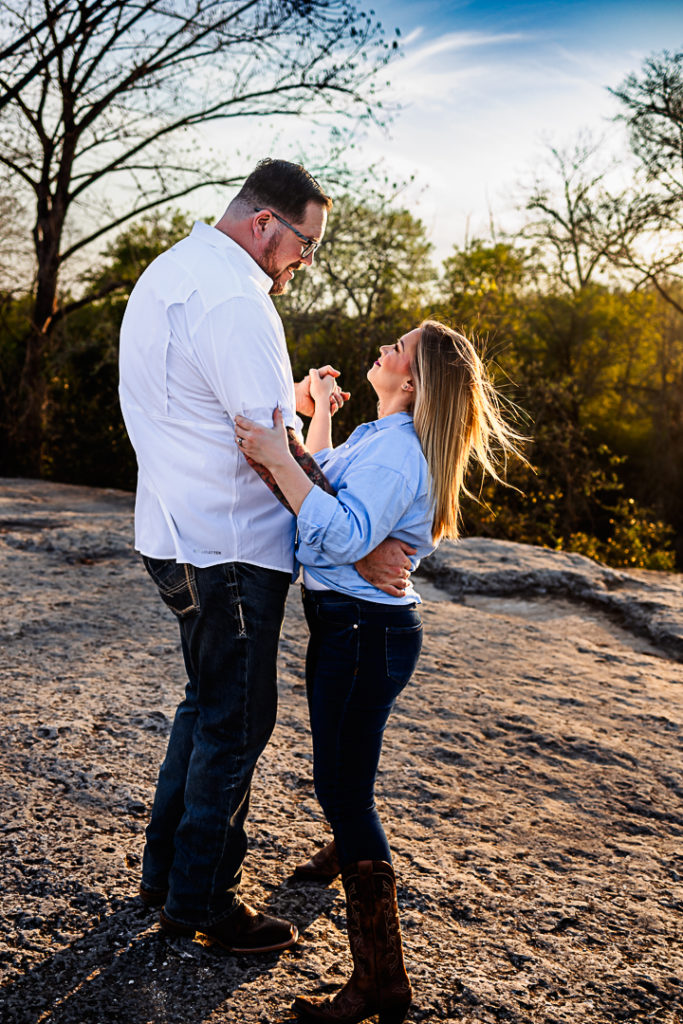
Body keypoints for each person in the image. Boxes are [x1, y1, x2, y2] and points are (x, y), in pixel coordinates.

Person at [118, 158, 406, 955]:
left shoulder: (175, 270)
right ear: (262, 225)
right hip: (231, 544)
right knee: (238, 718)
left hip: (174, 531)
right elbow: (267, 449)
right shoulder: (236, 301)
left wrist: (300, 401)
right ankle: (203, 898)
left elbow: (226, 410)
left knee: (205, 705)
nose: (304, 262)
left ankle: (166, 873)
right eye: (303, 245)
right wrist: (367, 539)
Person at [234, 319, 524, 1021]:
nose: (383, 350)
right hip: (358, 627)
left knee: (341, 786)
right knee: (346, 768)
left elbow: (333, 529)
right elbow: (331, 500)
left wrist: (279, 457)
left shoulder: (397, 455)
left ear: (414, 381)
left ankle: (380, 981)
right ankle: (346, 846)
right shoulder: (377, 437)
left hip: (363, 632)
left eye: (397, 349)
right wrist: (315, 429)